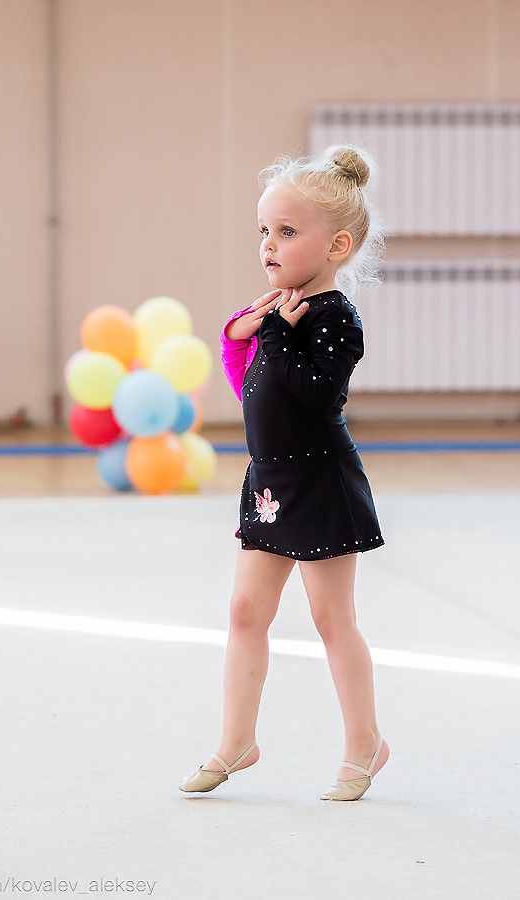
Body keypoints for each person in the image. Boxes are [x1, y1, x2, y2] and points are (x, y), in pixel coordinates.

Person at [179, 145, 388, 801]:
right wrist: (239, 335)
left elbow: (316, 395)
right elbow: (253, 391)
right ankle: (235, 742)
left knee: (332, 621)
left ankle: (365, 746)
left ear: (337, 244)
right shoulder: (277, 309)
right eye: (264, 231)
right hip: (268, 483)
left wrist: (271, 335)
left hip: (320, 485)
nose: (269, 244)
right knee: (244, 613)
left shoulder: (333, 317)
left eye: (287, 231)